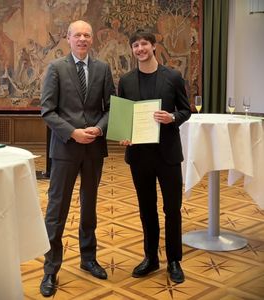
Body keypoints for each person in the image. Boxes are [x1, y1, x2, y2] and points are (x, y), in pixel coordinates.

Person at [40, 20, 115, 297]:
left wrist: (100, 128)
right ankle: (50, 270)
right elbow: (47, 111)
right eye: (77, 35)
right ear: (68, 39)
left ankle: (88, 258)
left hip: (94, 149)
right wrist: (72, 132)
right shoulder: (56, 68)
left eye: (87, 35)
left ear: (92, 40)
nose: (82, 39)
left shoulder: (103, 69)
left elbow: (111, 107)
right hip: (65, 150)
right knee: (56, 210)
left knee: (90, 206)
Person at [118, 29, 191, 284]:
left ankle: (174, 260)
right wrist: (124, 134)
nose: (140, 49)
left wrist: (172, 118)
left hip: (168, 154)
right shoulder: (126, 81)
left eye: (144, 44)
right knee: (146, 209)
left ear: (154, 46)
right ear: (132, 49)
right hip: (139, 156)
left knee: (172, 209)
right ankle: (151, 258)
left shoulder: (172, 76)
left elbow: (186, 110)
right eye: (135, 45)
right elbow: (125, 118)